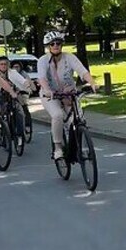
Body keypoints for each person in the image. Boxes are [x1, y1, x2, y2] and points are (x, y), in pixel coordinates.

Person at [37, 31, 98, 160]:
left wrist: (92, 83)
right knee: (57, 115)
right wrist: (47, 90)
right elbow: (42, 78)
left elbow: (82, 71)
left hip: (69, 93)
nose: (55, 46)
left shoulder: (69, 57)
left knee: (78, 119)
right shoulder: (43, 60)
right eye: (52, 44)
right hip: (50, 95)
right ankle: (58, 147)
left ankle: (81, 147)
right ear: (48, 46)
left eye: (58, 43)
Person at [0, 55, 34, 150]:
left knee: (20, 113)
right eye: (1, 64)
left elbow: (23, 81)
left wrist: (27, 86)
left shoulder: (13, 73)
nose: (3, 66)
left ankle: (20, 135)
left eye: (5, 64)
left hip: (13, 96)